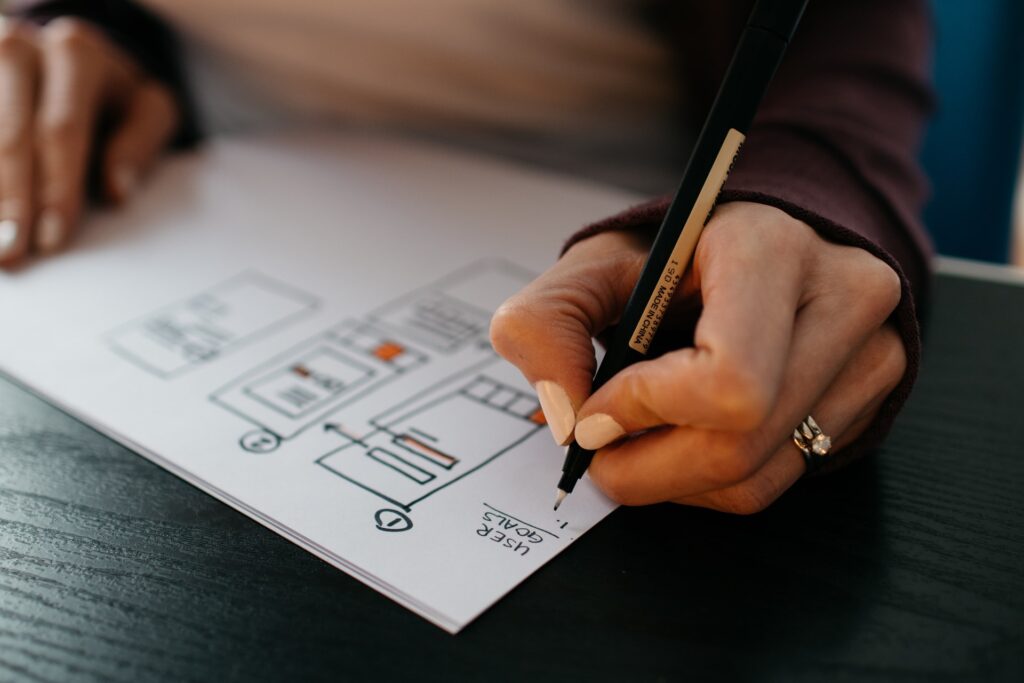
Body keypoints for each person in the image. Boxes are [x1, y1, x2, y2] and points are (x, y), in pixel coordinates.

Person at [0, 0, 933, 513]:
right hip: (184, 189)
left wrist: (816, 182)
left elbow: (826, 25)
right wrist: (90, 26)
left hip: (627, 209)